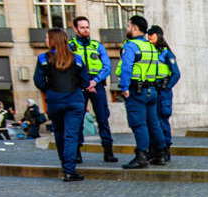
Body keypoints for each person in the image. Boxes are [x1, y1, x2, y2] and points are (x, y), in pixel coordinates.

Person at [33, 29, 86, 182]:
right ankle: (70, 170)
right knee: (71, 135)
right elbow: (85, 81)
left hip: (55, 100)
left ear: (52, 40)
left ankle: (65, 167)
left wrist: (49, 89)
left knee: (59, 133)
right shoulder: (77, 59)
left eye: (46, 38)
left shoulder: (43, 59)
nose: (45, 40)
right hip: (74, 100)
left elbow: (39, 81)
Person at [116, 15, 166, 170]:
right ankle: (160, 154)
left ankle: (141, 156)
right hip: (151, 90)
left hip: (136, 91)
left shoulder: (131, 46)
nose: (127, 29)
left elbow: (126, 68)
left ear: (135, 28)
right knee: (154, 123)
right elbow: (158, 69)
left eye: (129, 26)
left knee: (139, 124)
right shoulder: (152, 46)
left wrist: (124, 88)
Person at [69, 16, 116, 163]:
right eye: (82, 27)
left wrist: (94, 81)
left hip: (97, 85)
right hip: (78, 87)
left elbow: (107, 66)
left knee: (103, 118)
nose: (85, 30)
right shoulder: (70, 46)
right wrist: (84, 83)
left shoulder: (97, 45)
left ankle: (108, 152)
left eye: (87, 27)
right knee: (77, 120)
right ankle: (76, 152)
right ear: (75, 29)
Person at [147, 25, 180, 163]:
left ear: (158, 36)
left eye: (152, 36)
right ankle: (155, 150)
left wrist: (166, 87)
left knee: (162, 120)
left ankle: (165, 149)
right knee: (152, 121)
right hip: (153, 90)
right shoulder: (150, 52)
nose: (149, 38)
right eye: (148, 36)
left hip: (163, 92)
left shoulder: (166, 53)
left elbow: (176, 74)